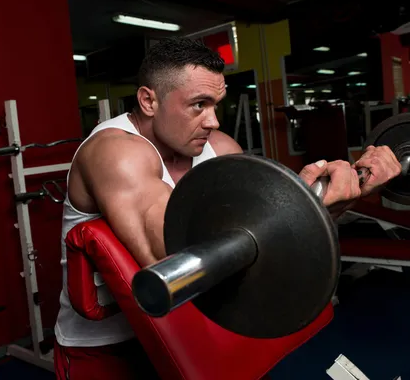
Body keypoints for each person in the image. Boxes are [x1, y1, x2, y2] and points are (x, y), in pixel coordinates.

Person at [53, 38, 402, 379]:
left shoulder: (218, 148)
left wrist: (352, 191)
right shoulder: (114, 152)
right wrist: (303, 203)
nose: (213, 121)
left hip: (198, 331)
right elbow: (176, 254)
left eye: (216, 105)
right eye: (198, 105)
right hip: (109, 349)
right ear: (148, 100)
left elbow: (271, 242)